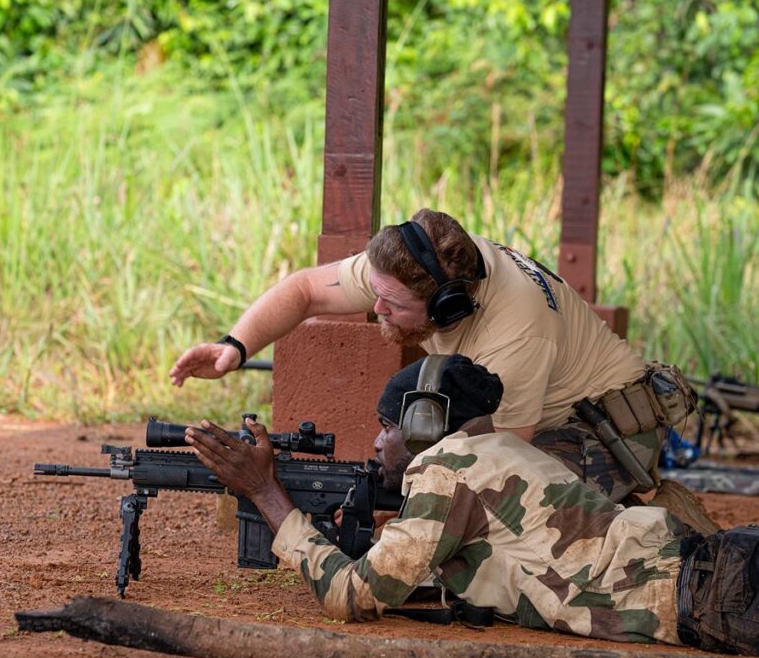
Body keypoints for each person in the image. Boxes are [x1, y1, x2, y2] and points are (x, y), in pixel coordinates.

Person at [185, 355, 759, 658]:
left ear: (426, 423)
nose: (378, 439)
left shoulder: (446, 468)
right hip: (743, 565)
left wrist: (266, 492)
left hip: (730, 599)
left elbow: (353, 594)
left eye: (387, 423)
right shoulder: (503, 454)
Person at [171, 208, 701, 510]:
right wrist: (233, 347)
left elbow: (501, 462)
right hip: (538, 414)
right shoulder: (410, 267)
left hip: (607, 429)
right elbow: (306, 289)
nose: (375, 309)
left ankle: (646, 521)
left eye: (392, 306)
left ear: (447, 304)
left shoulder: (515, 333)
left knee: (496, 521)